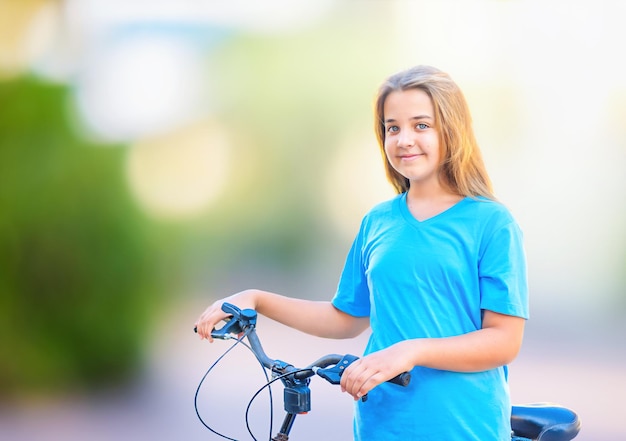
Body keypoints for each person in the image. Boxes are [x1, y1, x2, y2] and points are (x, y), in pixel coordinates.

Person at [195, 65, 529, 441]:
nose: (404, 139)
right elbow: (345, 318)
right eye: (392, 127)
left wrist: (409, 352)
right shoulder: (379, 221)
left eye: (421, 125)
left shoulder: (491, 223)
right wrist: (255, 299)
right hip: (382, 423)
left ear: (451, 131)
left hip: (463, 425)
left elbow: (503, 340)